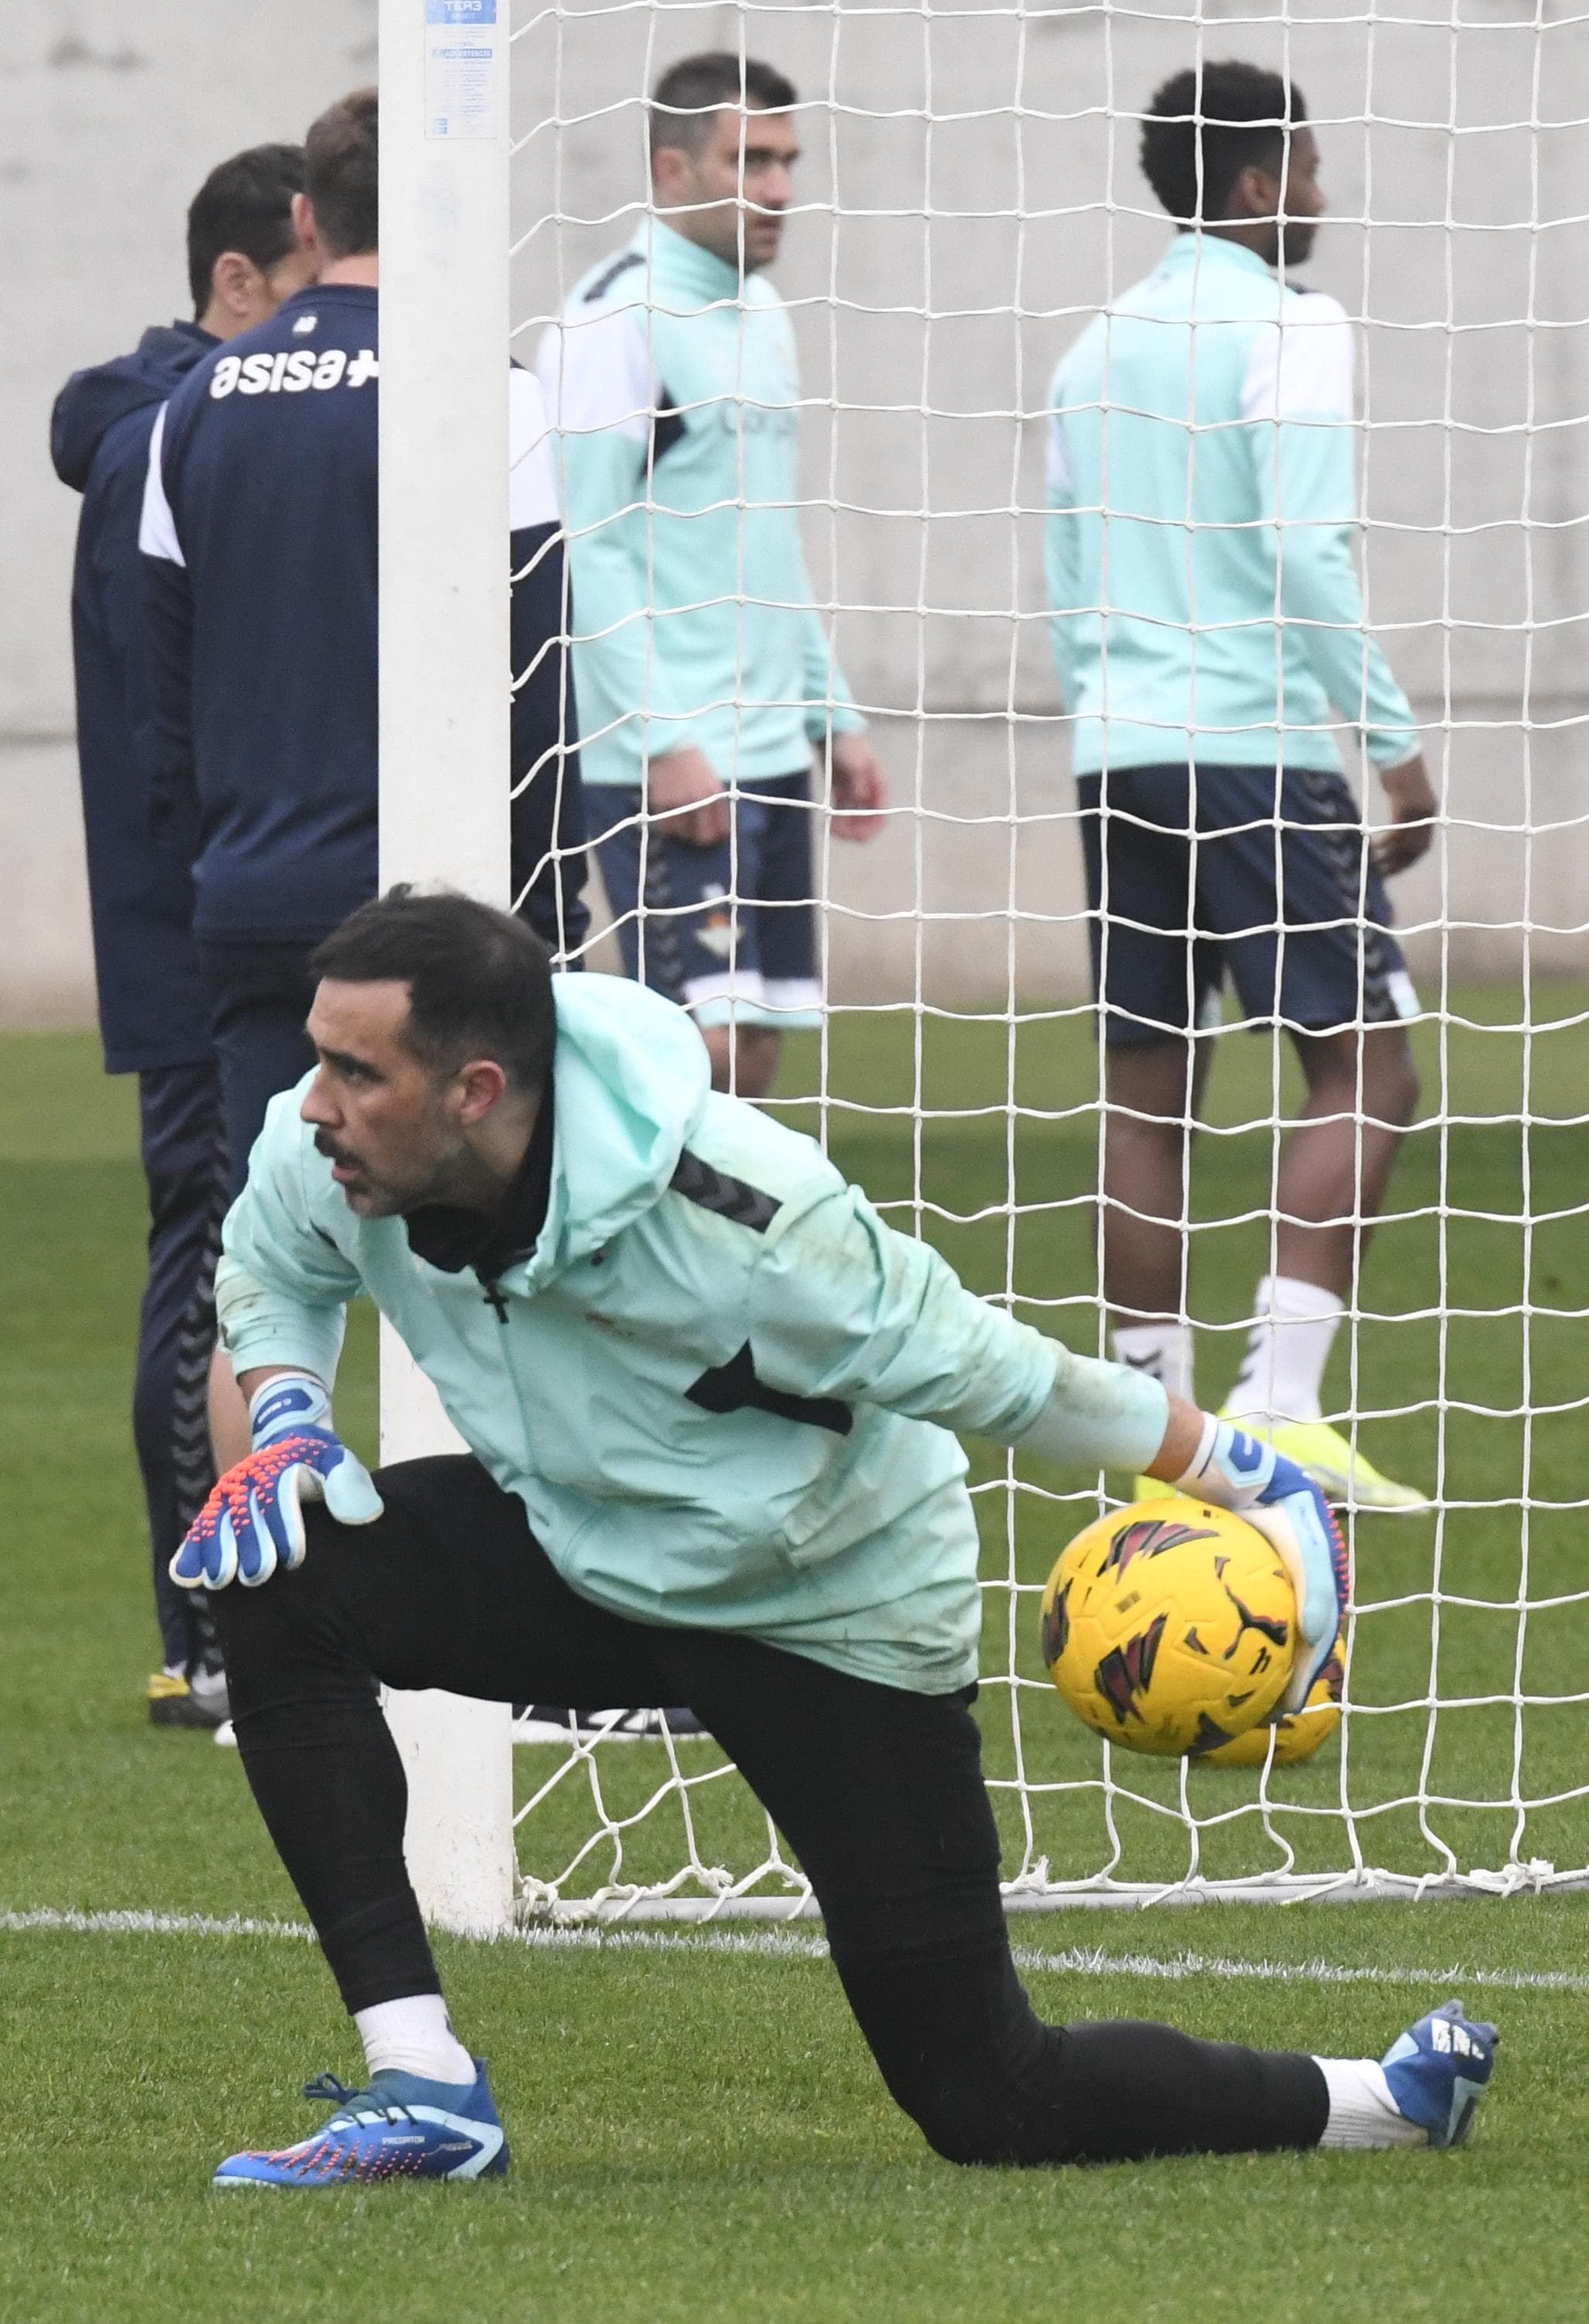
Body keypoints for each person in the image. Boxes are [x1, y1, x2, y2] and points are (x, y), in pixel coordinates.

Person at [166, 891, 1497, 2183]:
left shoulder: (752, 1219)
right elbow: (271, 1267)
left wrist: (1251, 1472)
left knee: (989, 2096)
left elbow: (1001, 1373)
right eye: (317, 1059)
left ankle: (1381, 2099)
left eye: (356, 1070)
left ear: (472, 1091)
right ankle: (425, 2084)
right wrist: (286, 1417)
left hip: (828, 1607)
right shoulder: (324, 1144)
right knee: (283, 1570)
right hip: (578, 1549)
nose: (317, 1102)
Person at [1042, 62, 1439, 1510]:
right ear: (1262, 181)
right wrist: (1390, 745)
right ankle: (1285, 1405)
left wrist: (1110, 713)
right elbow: (1305, 545)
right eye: (1314, 168)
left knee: (1151, 1094)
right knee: (1370, 1065)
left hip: (1118, 754)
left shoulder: (1089, 351)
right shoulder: (1292, 326)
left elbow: (1070, 582)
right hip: (1260, 748)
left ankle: (1148, 1439)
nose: (1324, 198)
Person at [137, 86, 576, 1196]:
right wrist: (539, 920)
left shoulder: (190, 406)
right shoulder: (490, 394)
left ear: (303, 219)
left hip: (250, 894)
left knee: (267, 1281)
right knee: (490, 1293)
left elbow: (157, 702)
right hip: (433, 932)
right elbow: (535, 679)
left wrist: (211, 873)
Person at [50, 142, 318, 1729]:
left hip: (216, 902)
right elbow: (160, 708)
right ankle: (204, 1622)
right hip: (200, 919)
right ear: (238, 280)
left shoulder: (183, 428)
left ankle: (250, 1617)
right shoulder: (171, 439)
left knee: (244, 1256)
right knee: (212, 1255)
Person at [545, 53, 889, 1100]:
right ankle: (622, 1266)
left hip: (774, 746)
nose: (781, 189)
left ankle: (723, 1271)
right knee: (694, 1053)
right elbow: (584, 545)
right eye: (751, 160)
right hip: (671, 758)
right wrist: (661, 742)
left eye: (788, 160)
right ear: (671, 167)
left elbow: (763, 544)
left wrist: (832, 716)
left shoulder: (765, 316)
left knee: (759, 1049)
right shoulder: (613, 321)